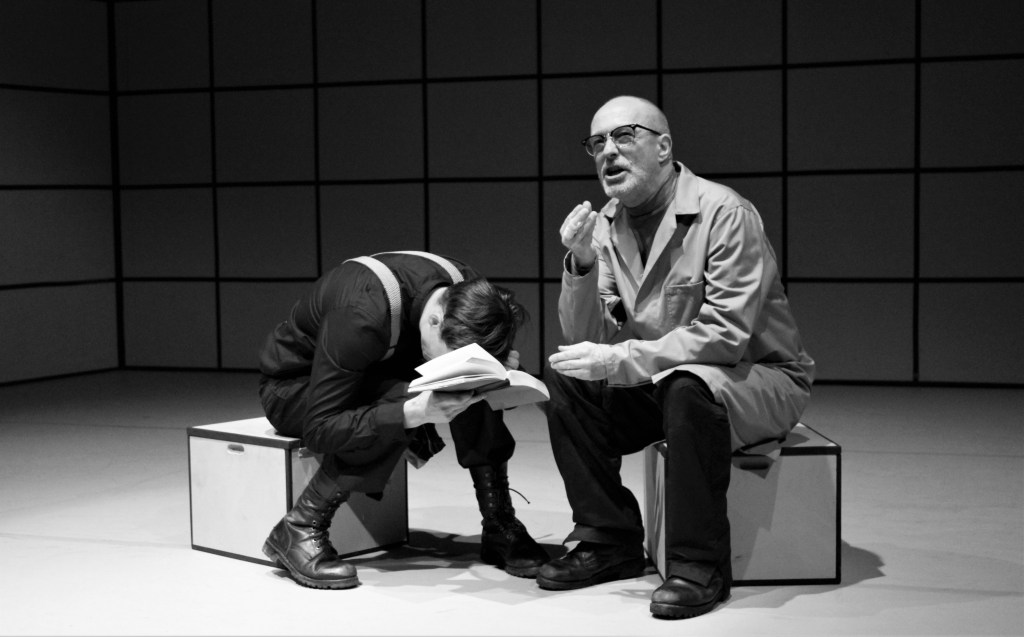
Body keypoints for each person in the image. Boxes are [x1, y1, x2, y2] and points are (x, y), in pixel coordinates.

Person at [538, 96, 815, 619]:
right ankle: (608, 538)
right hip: (667, 378)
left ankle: (699, 565)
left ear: (663, 147)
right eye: (597, 143)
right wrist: (581, 262)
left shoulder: (725, 212)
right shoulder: (607, 224)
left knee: (689, 386)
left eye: (624, 136)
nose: (608, 152)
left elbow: (726, 337)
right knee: (569, 379)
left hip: (756, 378)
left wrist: (618, 360)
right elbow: (585, 336)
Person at [257, 250, 548, 589]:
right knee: (402, 403)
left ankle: (498, 522)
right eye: (449, 353)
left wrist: (500, 370)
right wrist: (414, 413)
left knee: (471, 383)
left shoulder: (466, 291)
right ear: (435, 321)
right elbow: (320, 430)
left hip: (371, 374)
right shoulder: (361, 314)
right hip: (295, 390)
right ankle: (300, 527)